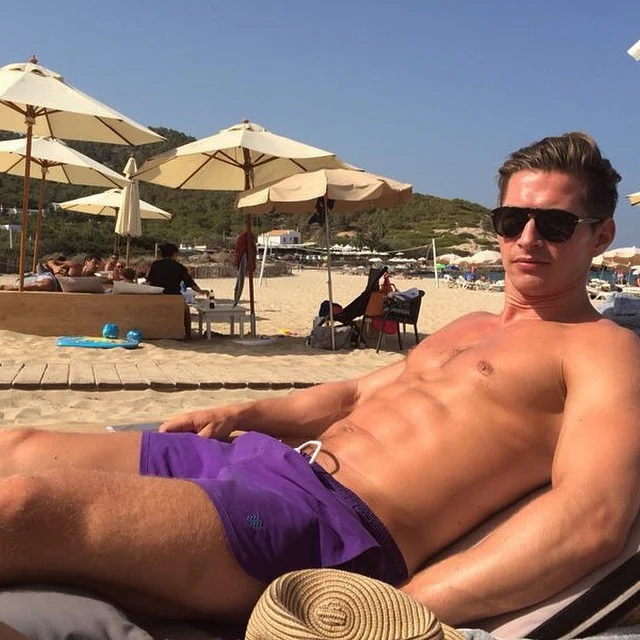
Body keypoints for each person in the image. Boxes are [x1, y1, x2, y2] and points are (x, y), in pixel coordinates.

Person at [0, 132, 638, 626]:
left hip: (325, 525)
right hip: (261, 459)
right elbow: (354, 393)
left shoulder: (602, 349)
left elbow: (592, 516)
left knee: (24, 508)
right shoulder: (468, 324)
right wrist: (242, 413)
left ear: (601, 236)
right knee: (15, 447)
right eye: (510, 221)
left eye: (555, 225)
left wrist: (400, 611)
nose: (527, 238)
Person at [148, 242, 207, 339]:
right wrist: (202, 291)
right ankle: (188, 334)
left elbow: (149, 281)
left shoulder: (155, 265)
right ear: (174, 254)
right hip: (174, 297)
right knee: (186, 311)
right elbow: (191, 284)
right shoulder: (179, 267)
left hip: (157, 297)